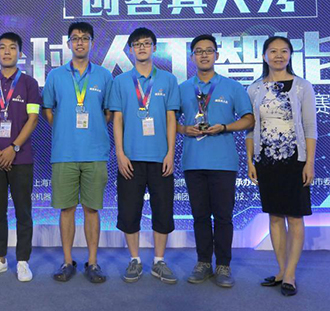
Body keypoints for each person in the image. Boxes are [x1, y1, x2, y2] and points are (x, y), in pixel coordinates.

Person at [177, 34, 254, 288]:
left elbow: (249, 119)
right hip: (193, 161)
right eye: (199, 51)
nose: (204, 55)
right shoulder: (183, 88)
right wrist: (183, 129)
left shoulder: (232, 87)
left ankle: (223, 265)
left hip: (223, 162)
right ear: (192, 57)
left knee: (223, 216)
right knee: (199, 216)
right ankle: (203, 262)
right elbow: (170, 121)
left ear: (217, 55)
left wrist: (225, 126)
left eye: (209, 50)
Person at [42, 22, 113, 283]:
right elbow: (48, 109)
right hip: (64, 153)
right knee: (67, 209)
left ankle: (92, 262)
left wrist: (92, 129)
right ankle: (67, 261)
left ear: (92, 42)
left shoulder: (104, 76)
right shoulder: (56, 76)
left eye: (85, 38)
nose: (80, 42)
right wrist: (65, 129)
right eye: (75, 38)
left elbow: (108, 112)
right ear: (69, 43)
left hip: (95, 153)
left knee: (92, 209)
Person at [245, 36, 316, 297]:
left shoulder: (302, 86)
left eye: (284, 51)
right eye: (273, 51)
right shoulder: (254, 89)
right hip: (266, 161)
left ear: (290, 55)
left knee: (295, 217)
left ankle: (290, 274)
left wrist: (309, 162)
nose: (278, 55)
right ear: (264, 56)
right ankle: (281, 270)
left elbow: (310, 127)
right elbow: (251, 128)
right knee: (274, 217)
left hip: (295, 161)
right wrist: (250, 160)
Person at [108, 28, 180, 284]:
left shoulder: (168, 80)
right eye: (137, 44)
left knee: (163, 210)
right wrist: (120, 153)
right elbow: (117, 119)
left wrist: (170, 153)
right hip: (130, 158)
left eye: (146, 43)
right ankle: (135, 260)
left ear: (154, 47)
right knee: (129, 212)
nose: (141, 47)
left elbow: (171, 119)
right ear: (130, 49)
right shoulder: (120, 81)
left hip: (160, 158)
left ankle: (159, 261)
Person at [0, 32, 41, 282]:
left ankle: (23, 261)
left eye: (12, 48)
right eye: (2, 47)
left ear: (20, 53)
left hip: (20, 158)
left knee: (24, 211)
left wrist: (13, 147)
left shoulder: (29, 84)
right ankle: (0, 260)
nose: (6, 52)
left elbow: (33, 119)